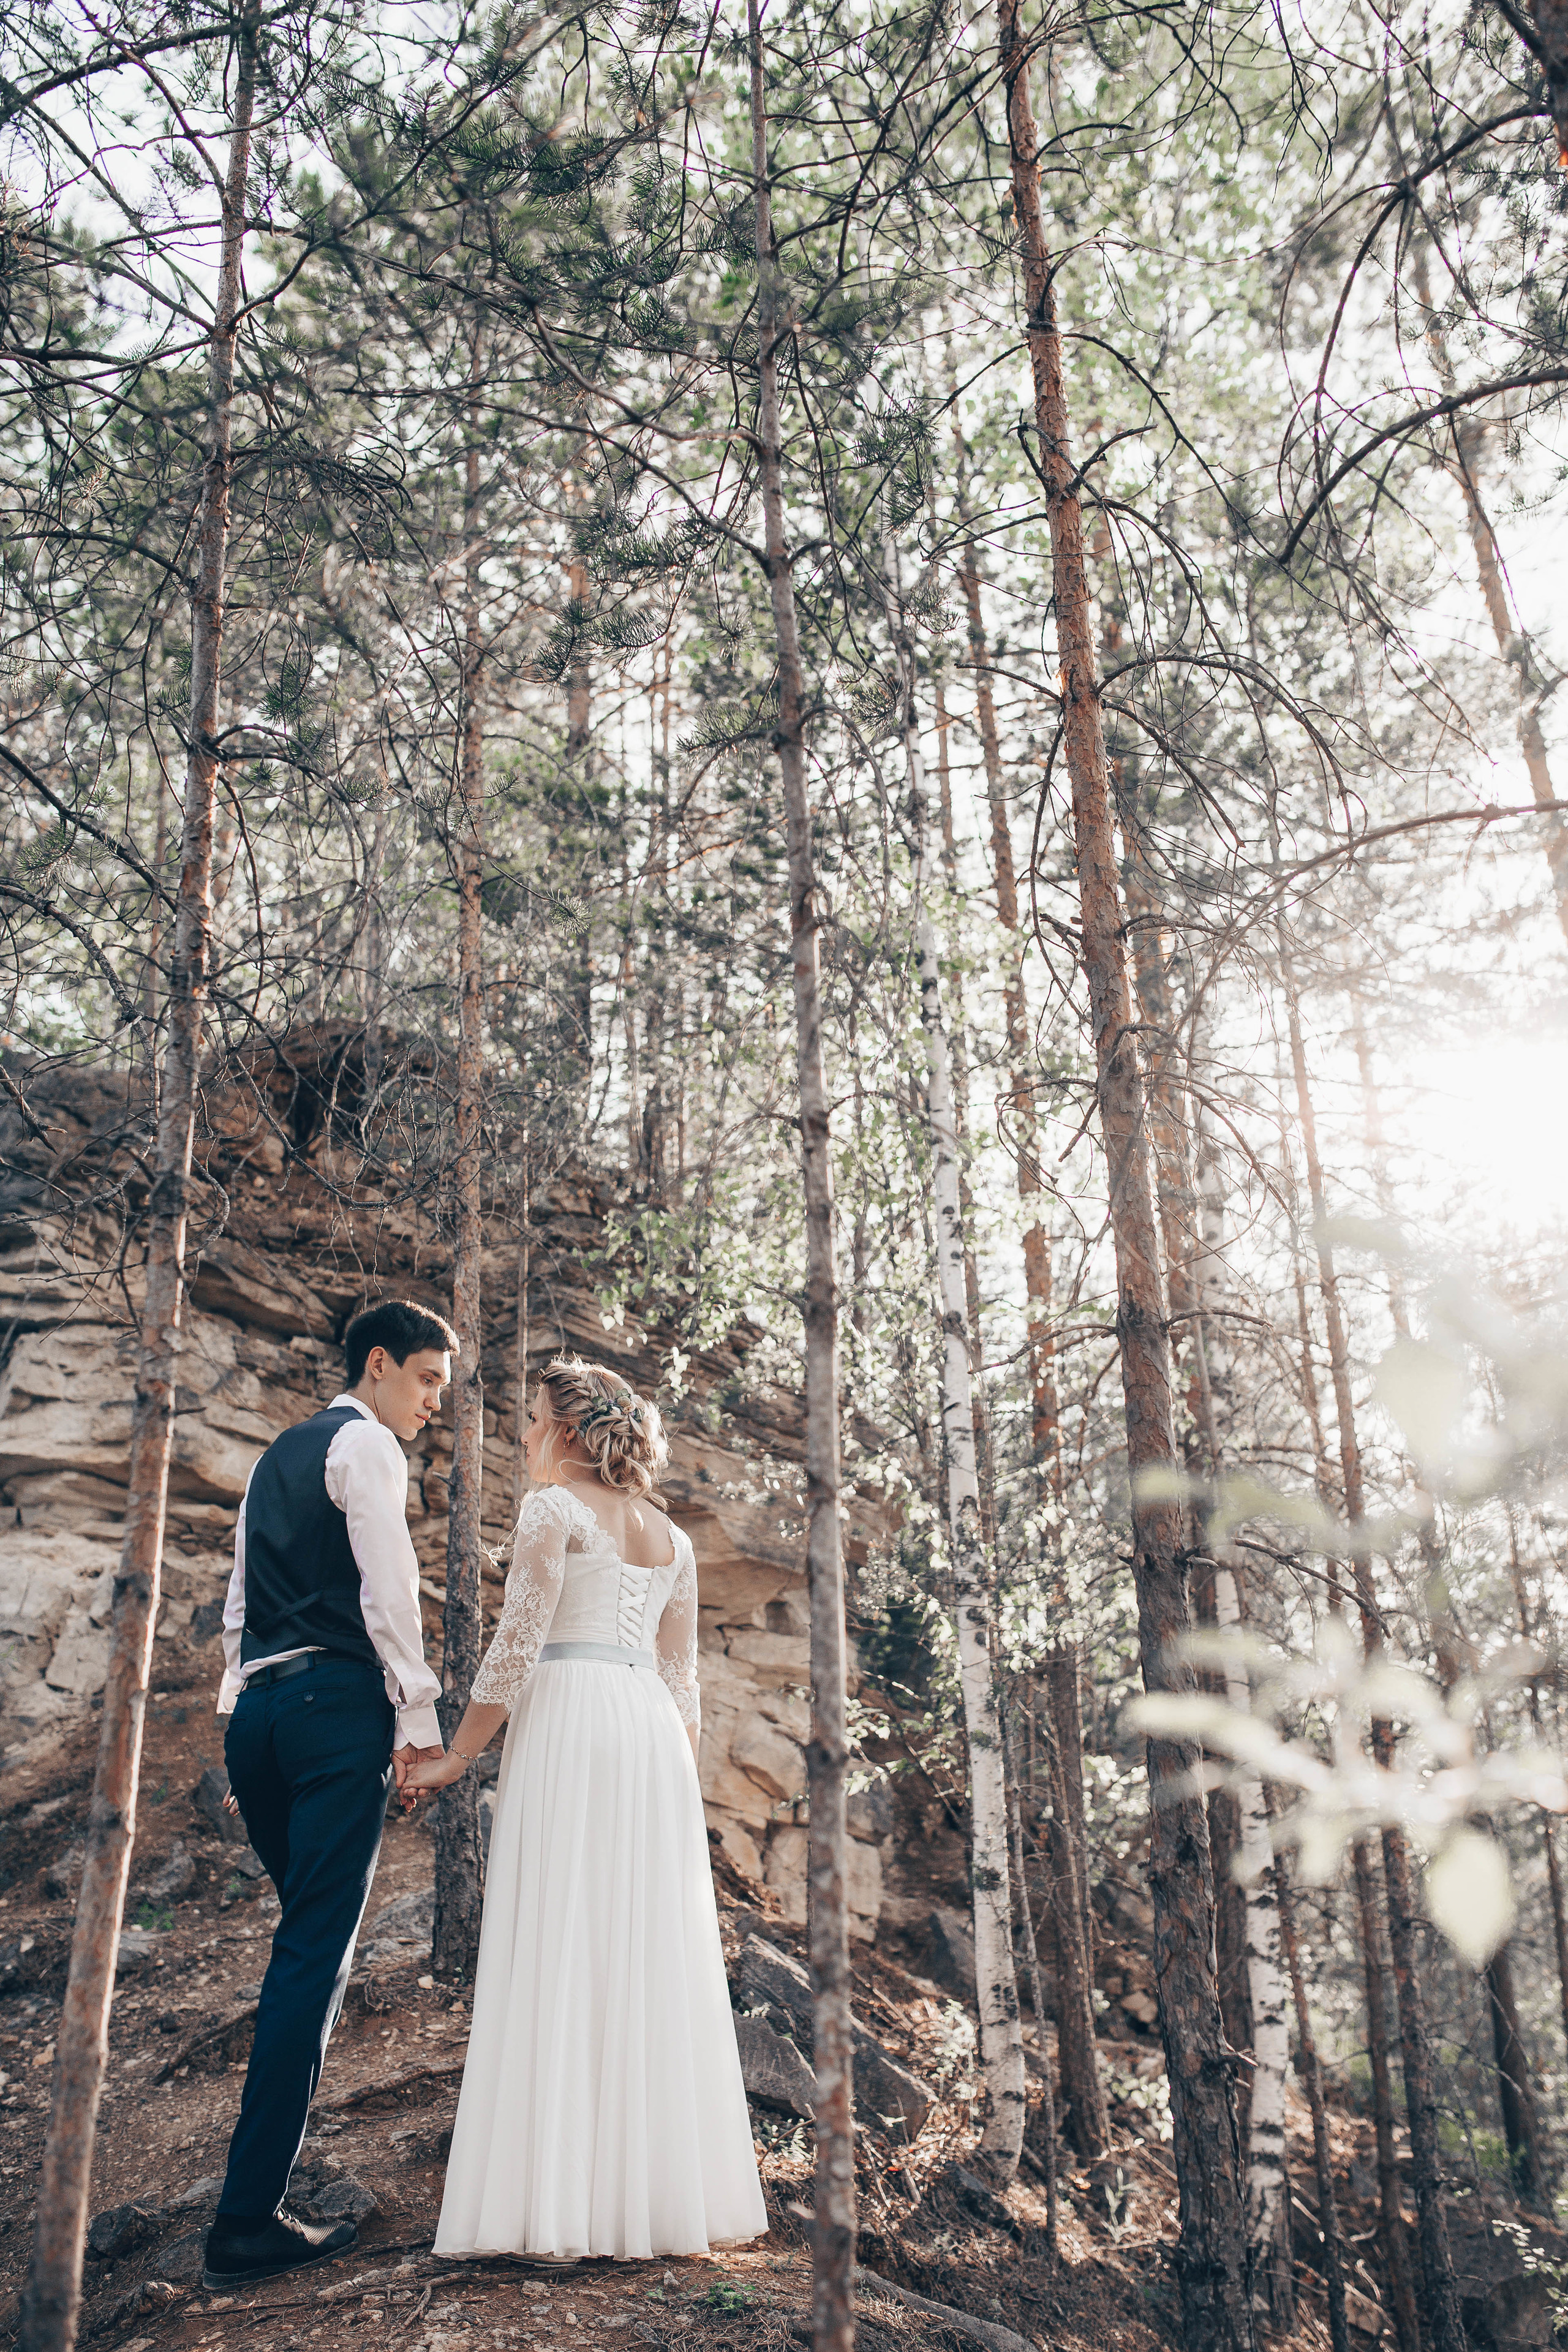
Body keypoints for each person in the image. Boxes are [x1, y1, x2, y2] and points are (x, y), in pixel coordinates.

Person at [405, 1357, 766, 2261]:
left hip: (570, 1720)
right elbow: (685, 1677)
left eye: (531, 1419)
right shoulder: (671, 1537)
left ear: (566, 1432)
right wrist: (678, 1782)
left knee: (561, 1937)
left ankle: (554, 2204)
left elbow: (518, 1644)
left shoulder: (553, 1508)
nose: (524, 1435)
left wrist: (457, 1756)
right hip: (650, 1737)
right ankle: (652, 2203)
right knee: (640, 1949)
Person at [202, 1298, 456, 2291]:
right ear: (381, 1364)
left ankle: (251, 2197)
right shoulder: (368, 1450)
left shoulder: (276, 1456)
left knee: (304, 1947)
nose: (436, 1402)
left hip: (260, 1716)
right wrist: (419, 1720)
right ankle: (245, 2222)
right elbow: (390, 1590)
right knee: (313, 1956)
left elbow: (238, 1604)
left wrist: (240, 1716)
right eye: (430, 1380)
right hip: (334, 1710)